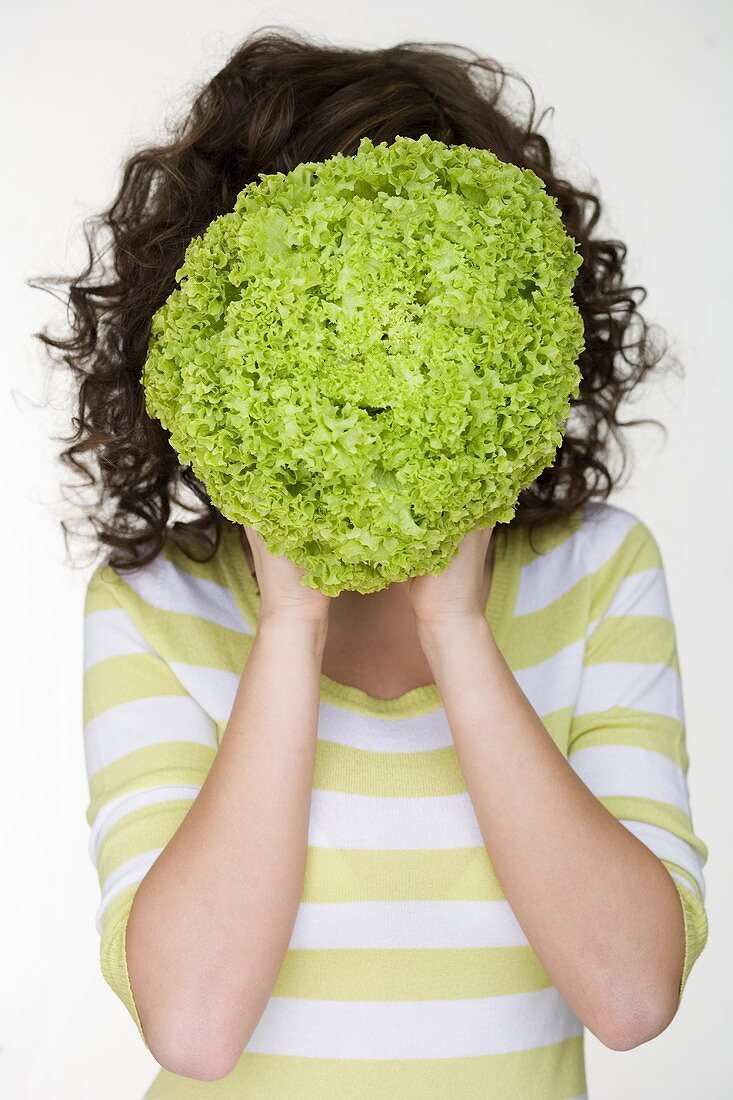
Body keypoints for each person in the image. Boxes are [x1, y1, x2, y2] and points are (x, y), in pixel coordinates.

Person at [39, 27, 708, 1099]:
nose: (376, 349)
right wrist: (290, 621)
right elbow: (198, 1027)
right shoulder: (156, 603)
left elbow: (630, 994)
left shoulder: (595, 572)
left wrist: (457, 625)